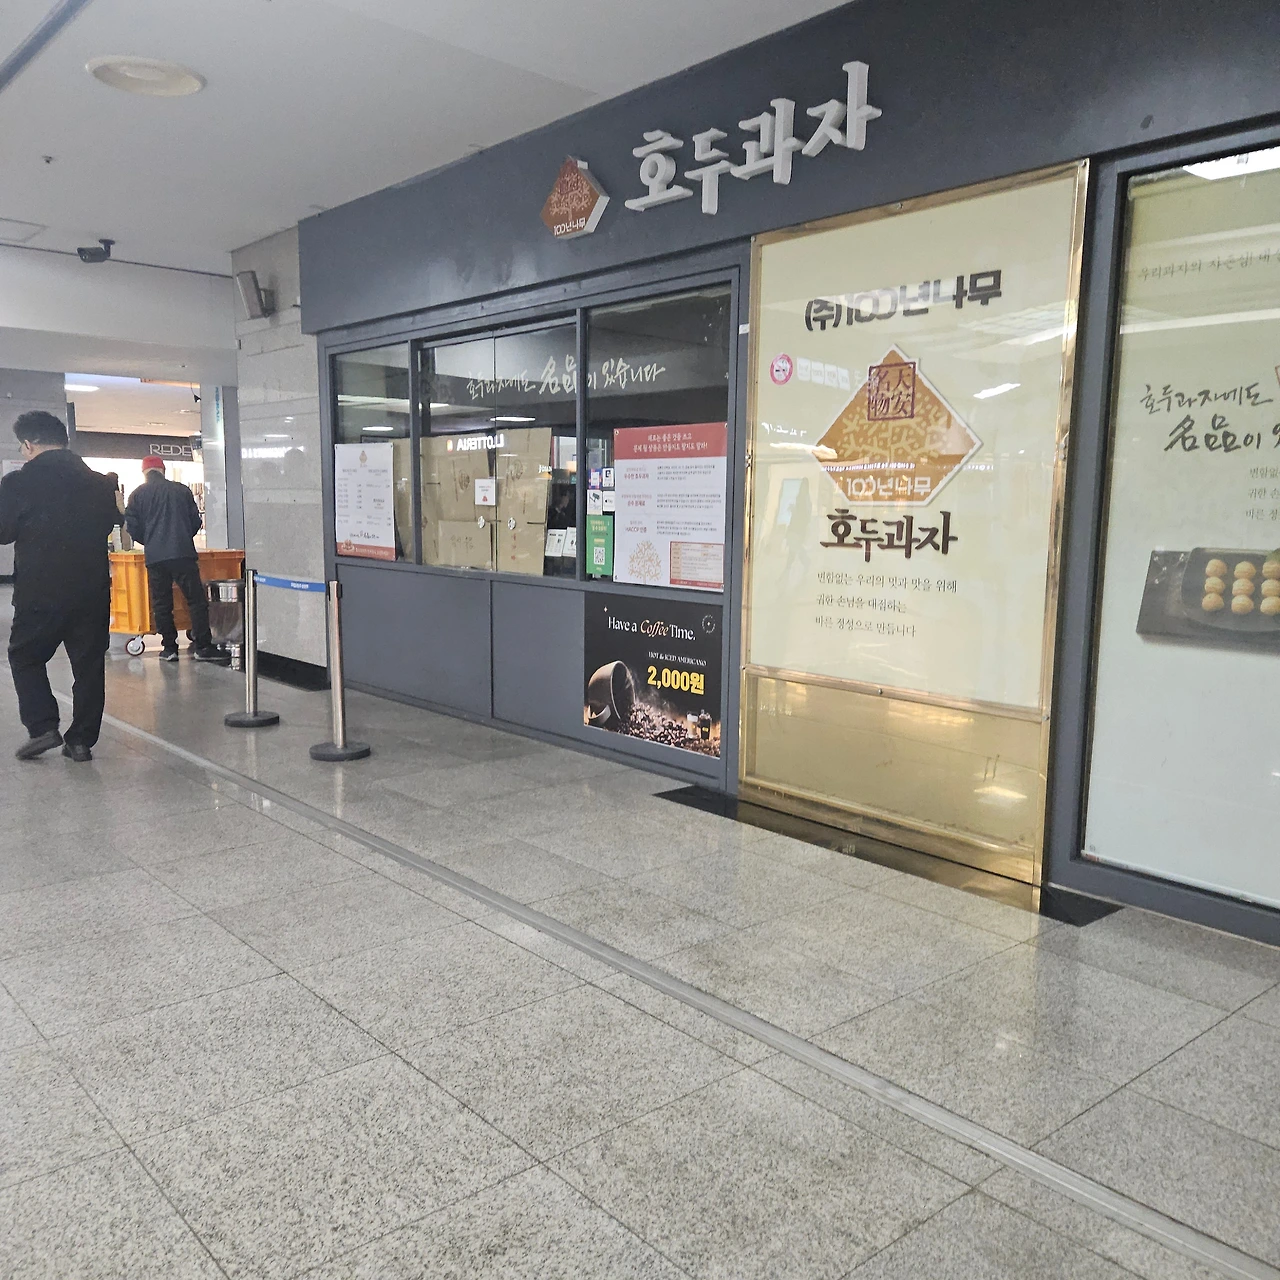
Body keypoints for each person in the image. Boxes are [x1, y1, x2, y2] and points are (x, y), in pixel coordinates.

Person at [0, 410, 120, 761]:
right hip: (92, 590)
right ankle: (80, 741)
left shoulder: (18, 482)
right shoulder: (100, 483)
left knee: (25, 656)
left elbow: (3, 532)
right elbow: (108, 525)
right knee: (89, 665)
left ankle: (43, 727)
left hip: (40, 591)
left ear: (28, 444)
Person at [124, 456, 227, 664]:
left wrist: (150, 541)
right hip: (182, 553)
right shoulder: (181, 491)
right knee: (196, 601)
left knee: (162, 604)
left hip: (155, 558)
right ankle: (203, 647)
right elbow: (195, 521)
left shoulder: (137, 495)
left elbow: (133, 528)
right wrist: (182, 537)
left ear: (144, 472)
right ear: (163, 470)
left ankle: (169, 649)